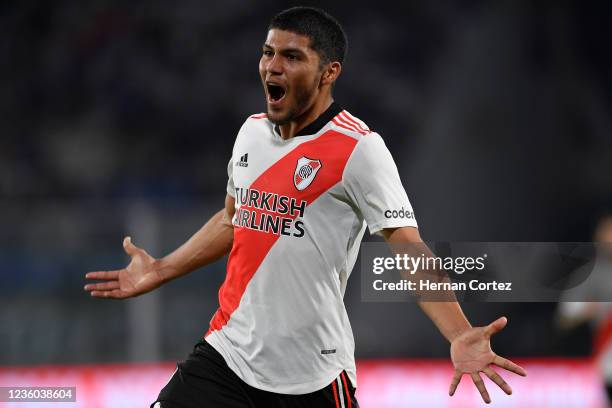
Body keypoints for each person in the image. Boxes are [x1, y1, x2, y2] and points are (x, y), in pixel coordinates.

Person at [84, 7, 526, 407]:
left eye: (292, 57)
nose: (273, 66)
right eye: (268, 52)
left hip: (312, 378)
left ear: (329, 71)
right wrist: (161, 269)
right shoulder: (251, 133)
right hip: (227, 357)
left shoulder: (359, 149)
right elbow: (233, 219)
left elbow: (408, 248)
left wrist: (458, 332)